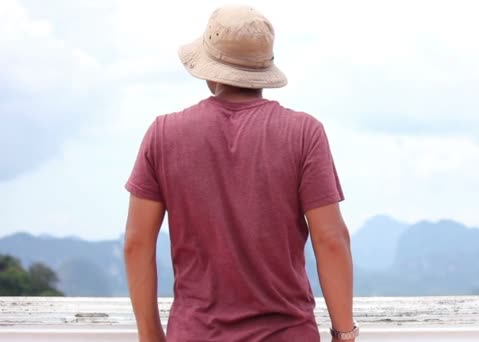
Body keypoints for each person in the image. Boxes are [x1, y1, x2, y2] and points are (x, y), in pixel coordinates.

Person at [123, 5, 357, 342]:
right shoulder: (304, 133)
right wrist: (344, 335)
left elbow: (137, 243)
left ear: (211, 70)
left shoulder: (164, 134)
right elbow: (331, 240)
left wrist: (150, 336)